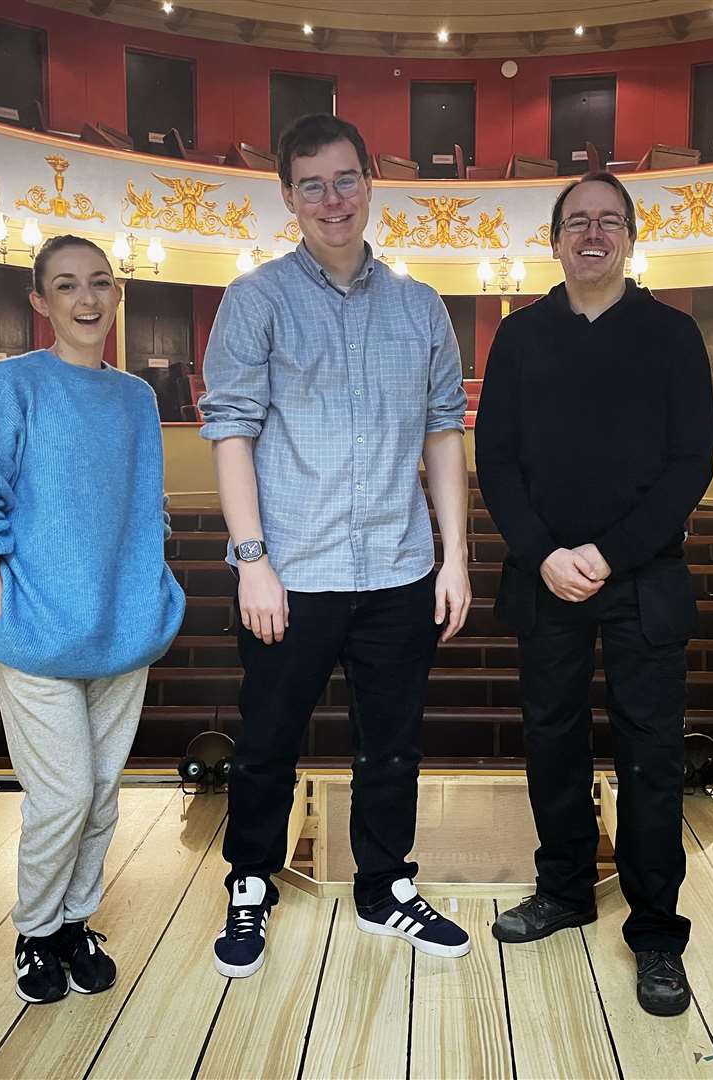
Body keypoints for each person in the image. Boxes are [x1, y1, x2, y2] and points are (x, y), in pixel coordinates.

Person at [198, 113, 472, 979]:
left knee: (392, 744)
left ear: (369, 184)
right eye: (311, 184)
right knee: (268, 741)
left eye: (345, 179)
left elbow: (441, 434)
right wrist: (252, 561)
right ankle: (250, 880)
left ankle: (385, 886)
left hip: (397, 569)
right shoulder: (256, 300)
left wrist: (454, 556)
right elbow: (231, 431)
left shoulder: (420, 307)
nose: (331, 199)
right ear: (287, 196)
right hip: (291, 573)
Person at [475, 171, 713, 1016]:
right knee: (552, 742)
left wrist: (606, 554)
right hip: (542, 579)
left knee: (650, 758)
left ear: (628, 238)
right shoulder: (518, 337)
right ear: (553, 239)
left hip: (642, 578)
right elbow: (495, 461)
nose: (591, 233)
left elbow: (691, 465)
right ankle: (566, 889)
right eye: (575, 221)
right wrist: (543, 552)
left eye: (607, 221)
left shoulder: (672, 336)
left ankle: (654, 931)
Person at [0, 235, 186, 1005]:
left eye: (100, 283)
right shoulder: (12, 385)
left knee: (101, 795)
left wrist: (152, 596)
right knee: (63, 796)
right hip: (35, 633)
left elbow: (142, 513)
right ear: (40, 302)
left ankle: (75, 922)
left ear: (117, 293)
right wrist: (3, 617)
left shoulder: (135, 397)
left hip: (122, 631)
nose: (86, 298)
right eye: (66, 285)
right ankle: (35, 933)